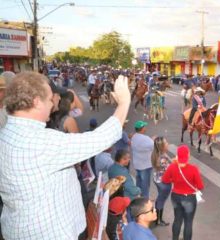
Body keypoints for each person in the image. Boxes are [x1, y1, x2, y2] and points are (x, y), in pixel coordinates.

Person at [0, 72, 130, 239]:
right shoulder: (40, 142)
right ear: (36, 102)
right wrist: (124, 102)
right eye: (49, 99)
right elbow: (101, 139)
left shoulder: (6, 134)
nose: (53, 104)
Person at [162, 145, 204, 240]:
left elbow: (165, 180)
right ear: (188, 155)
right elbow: (201, 186)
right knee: (188, 222)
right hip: (189, 199)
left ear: (177, 155)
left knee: (177, 219)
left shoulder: (172, 167)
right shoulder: (193, 169)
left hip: (176, 197)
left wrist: (174, 180)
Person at [151, 136, 172, 226]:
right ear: (162, 146)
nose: (168, 143)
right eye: (166, 143)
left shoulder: (156, 154)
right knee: (161, 200)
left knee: (160, 198)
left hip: (157, 179)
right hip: (164, 182)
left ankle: (157, 217)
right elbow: (170, 171)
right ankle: (158, 220)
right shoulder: (163, 157)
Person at [130, 121, 154, 198]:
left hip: (137, 164)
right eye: (144, 126)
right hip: (145, 165)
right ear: (142, 129)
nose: (146, 128)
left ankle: (138, 197)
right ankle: (145, 201)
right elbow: (153, 147)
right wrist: (153, 139)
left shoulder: (134, 137)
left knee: (139, 182)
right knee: (145, 185)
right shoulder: (146, 139)